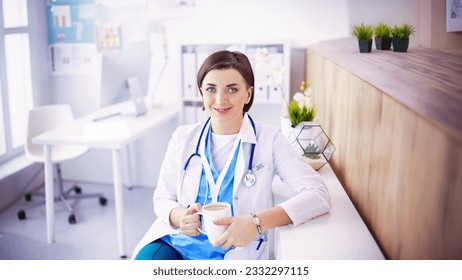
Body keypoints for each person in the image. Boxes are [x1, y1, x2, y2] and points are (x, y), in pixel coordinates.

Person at [132, 50, 331, 260]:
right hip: (176, 245)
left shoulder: (270, 139)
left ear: (248, 94)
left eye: (232, 89)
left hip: (234, 254)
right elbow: (162, 198)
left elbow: (318, 194)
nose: (220, 99)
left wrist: (256, 223)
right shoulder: (183, 138)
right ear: (201, 92)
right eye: (211, 89)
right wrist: (179, 216)